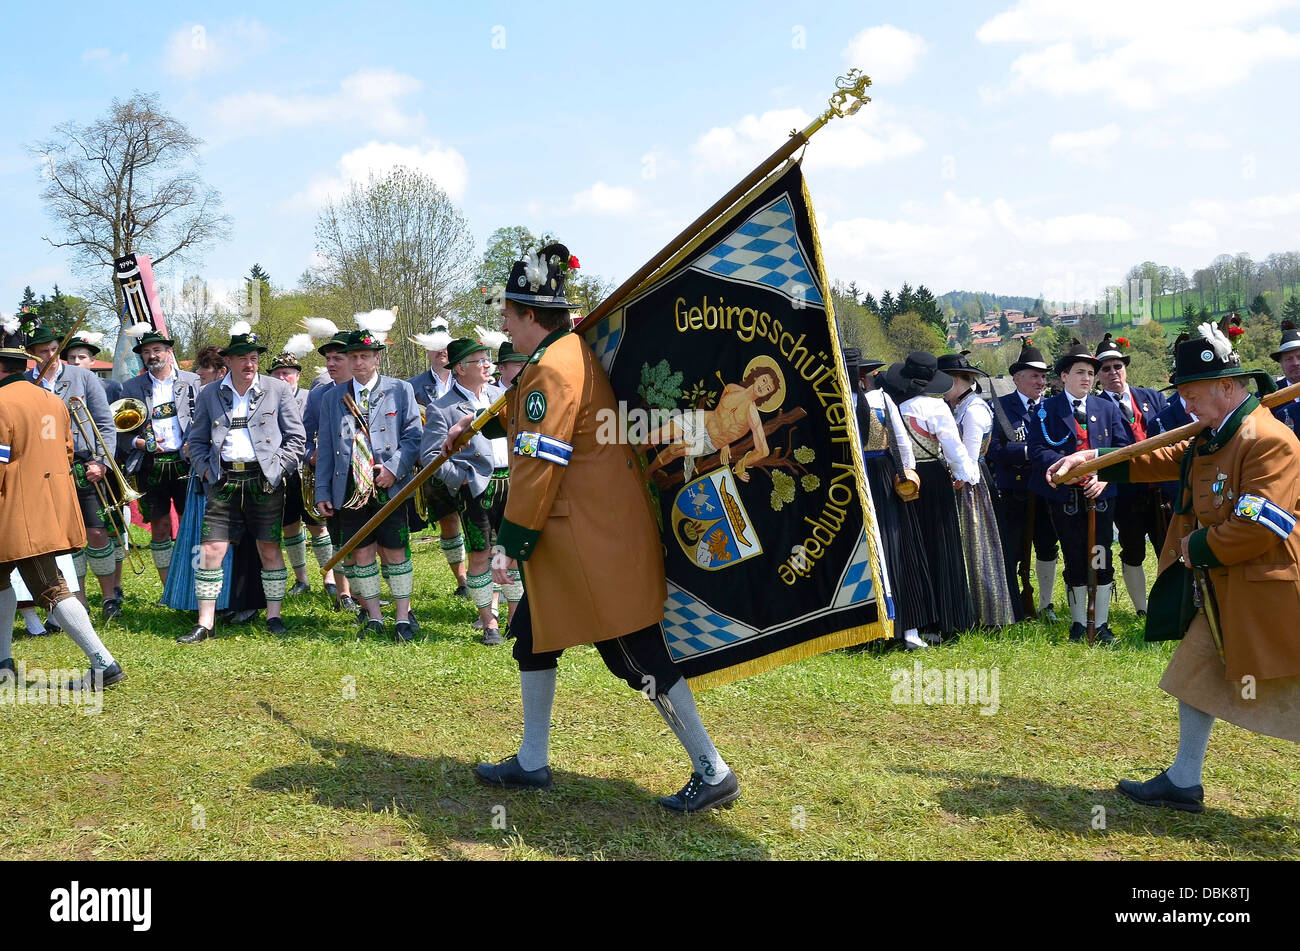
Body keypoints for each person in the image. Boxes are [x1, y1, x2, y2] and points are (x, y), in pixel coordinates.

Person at [446, 244, 739, 812]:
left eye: (508, 312)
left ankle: (713, 769)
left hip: (587, 543)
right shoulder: (565, 353)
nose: (502, 321)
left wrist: (511, 543)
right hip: (583, 536)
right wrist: (474, 425)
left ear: (531, 315)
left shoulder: (551, 367)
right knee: (532, 639)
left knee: (637, 658)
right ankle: (532, 761)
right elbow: (529, 412)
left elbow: (539, 462)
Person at [1049, 321, 1299, 812]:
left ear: (1227, 386)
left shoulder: (1268, 440)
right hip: (1228, 589)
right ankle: (1184, 781)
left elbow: (1259, 529)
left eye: (1192, 391)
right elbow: (1157, 458)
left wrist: (1191, 550)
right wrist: (1091, 459)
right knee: (1194, 673)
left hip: (1269, 592)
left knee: (1288, 688)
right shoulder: (1213, 435)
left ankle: (1183, 780)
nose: (1185, 403)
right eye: (1181, 391)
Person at [0, 328, 124, 690]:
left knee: (51, 588)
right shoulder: (51, 399)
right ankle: (3, 662)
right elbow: (68, 452)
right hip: (50, 504)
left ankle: (104, 663)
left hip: (18, 512)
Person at [182, 323, 305, 642]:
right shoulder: (210, 393)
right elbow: (195, 440)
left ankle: (274, 616)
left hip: (265, 480)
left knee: (269, 548)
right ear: (230, 362)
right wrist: (207, 471)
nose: (250, 363)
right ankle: (205, 623)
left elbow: (296, 438)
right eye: (243, 358)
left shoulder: (277, 390)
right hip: (223, 480)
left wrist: (277, 469)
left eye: (254, 357)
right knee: (211, 550)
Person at [315, 316, 423, 641]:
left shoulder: (400, 390)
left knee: (395, 552)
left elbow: (414, 437)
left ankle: (403, 618)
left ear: (377, 357)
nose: (359, 362)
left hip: (389, 486)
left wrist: (394, 468)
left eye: (365, 356)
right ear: (348, 360)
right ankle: (374, 617)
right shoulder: (332, 398)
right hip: (349, 489)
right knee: (361, 553)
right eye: (353, 357)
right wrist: (323, 490)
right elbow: (327, 447)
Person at [1027, 339, 1132, 644]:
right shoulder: (1047, 409)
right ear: (1063, 376)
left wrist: (1105, 477)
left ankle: (1100, 623)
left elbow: (1124, 448)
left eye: (1090, 372)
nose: (1087, 378)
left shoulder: (1107, 407)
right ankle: (1077, 622)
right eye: (1080, 372)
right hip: (1065, 497)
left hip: (1100, 496)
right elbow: (1037, 449)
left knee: (1100, 555)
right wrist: (1064, 471)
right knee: (1074, 556)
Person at [23, 322, 124, 621]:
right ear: (31, 354)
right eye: (44, 352)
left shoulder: (83, 377)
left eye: (55, 350)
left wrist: (102, 462)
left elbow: (105, 423)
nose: (51, 356)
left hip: (85, 463)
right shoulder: (26, 384)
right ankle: (77, 599)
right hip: (44, 469)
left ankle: (109, 598)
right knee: (63, 537)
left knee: (96, 531)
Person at [420, 338, 514, 645]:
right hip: (476, 488)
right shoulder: (442, 407)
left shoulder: (502, 396)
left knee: (510, 552)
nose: (488, 365)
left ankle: (516, 620)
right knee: (480, 554)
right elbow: (432, 456)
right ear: (460, 368)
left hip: (511, 482)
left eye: (487, 360)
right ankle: (489, 623)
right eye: (480, 361)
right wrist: (461, 478)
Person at [881, 352, 979, 640]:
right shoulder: (937, 409)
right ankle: (946, 620)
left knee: (915, 548)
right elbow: (954, 449)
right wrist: (967, 475)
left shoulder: (895, 405)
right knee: (942, 545)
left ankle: (919, 619)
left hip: (905, 480)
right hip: (934, 479)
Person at [846, 349, 934, 650]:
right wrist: (907, 475)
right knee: (897, 548)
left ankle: (863, 632)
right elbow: (903, 446)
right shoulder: (883, 401)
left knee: (863, 552)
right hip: (883, 477)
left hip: (854, 479)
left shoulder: (838, 405)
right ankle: (907, 629)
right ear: (865, 375)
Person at [116, 328, 201, 589]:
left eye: (157, 350)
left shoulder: (193, 381)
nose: (152, 356)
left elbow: (207, 421)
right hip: (150, 466)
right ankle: (169, 588)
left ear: (169, 352)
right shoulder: (130, 387)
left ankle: (194, 584)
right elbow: (119, 433)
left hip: (186, 463)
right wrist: (137, 442)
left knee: (193, 524)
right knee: (161, 527)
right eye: (146, 352)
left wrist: (195, 444)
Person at [938, 351, 1016, 628]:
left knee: (979, 549)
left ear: (958, 380)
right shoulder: (960, 407)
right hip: (964, 481)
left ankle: (989, 615)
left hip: (972, 484)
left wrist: (956, 479)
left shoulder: (974, 411)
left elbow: (970, 459)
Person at [1094, 333, 1169, 617]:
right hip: (1126, 493)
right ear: (1098, 375)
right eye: (1106, 368)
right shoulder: (1096, 407)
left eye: (1118, 366)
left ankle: (1169, 604)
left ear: (1126, 368)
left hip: (1161, 489)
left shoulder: (1152, 397)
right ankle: (1142, 609)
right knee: (1133, 550)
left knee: (1168, 549)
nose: (1113, 373)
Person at [987, 340, 1061, 622]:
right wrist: (1031, 452)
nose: (1041, 381)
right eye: (1034, 376)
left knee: (1047, 547)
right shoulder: (1000, 407)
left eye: (1043, 376)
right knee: (1013, 549)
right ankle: (1013, 603)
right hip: (1014, 491)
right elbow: (992, 449)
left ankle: (1045, 603)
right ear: (1017, 378)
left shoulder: (1053, 407)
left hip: (1046, 489)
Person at [407, 320, 468, 598]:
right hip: (433, 464)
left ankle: (490, 580)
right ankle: (463, 581)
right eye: (434, 348)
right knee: (448, 521)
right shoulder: (412, 387)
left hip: (470, 461)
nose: (440, 351)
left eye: (445, 346)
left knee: (482, 521)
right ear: (427, 351)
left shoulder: (469, 378)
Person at [302, 329, 358, 613]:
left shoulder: (371, 392)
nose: (331, 364)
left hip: (366, 477)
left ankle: (365, 593)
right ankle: (344, 594)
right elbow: (302, 436)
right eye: (328, 359)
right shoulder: (317, 397)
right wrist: (311, 456)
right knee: (339, 537)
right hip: (335, 478)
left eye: (337, 358)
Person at [268, 347, 321, 598]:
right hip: (282, 472)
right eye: (277, 374)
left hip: (310, 470)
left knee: (318, 525)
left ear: (297, 375)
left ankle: (330, 577)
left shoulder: (311, 398)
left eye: (286, 373)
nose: (282, 378)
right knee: (289, 526)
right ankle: (302, 579)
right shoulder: (267, 399)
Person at [1269, 320, 1300, 435]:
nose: (1296, 363)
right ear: (1280, 363)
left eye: (1299, 357)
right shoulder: (1268, 395)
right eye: (1289, 359)